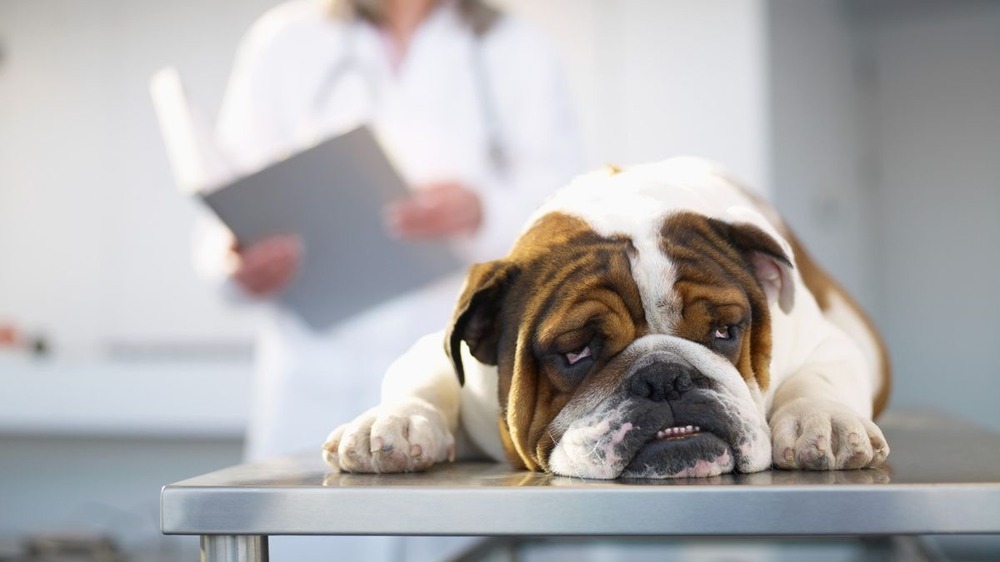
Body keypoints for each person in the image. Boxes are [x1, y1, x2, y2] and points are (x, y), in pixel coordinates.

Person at [195, 0, 581, 559]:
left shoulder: (518, 47)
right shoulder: (284, 42)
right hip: (315, 378)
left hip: (457, 376)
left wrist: (482, 210)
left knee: (451, 543)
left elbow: (566, 213)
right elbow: (222, 215)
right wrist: (238, 267)